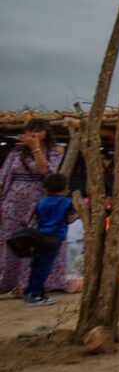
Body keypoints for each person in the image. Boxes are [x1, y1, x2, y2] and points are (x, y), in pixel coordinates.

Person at [0, 119, 65, 296]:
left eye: (39, 131)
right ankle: (8, 282)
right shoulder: (15, 153)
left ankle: (26, 285)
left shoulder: (55, 153)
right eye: (31, 131)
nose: (34, 134)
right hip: (12, 202)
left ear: (46, 133)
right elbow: (3, 177)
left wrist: (36, 148)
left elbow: (47, 172)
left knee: (33, 242)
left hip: (38, 202)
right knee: (11, 240)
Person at [24, 173, 77, 307]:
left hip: (40, 236)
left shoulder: (41, 201)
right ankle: (36, 295)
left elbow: (36, 218)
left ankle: (31, 291)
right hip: (55, 238)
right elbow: (70, 220)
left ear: (45, 188)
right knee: (45, 267)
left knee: (36, 265)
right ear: (66, 188)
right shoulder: (67, 202)